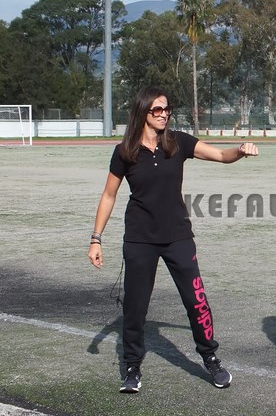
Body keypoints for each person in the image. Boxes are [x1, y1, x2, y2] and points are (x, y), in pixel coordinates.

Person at [87, 86, 258, 393]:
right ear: (143, 112)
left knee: (196, 301)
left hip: (178, 236)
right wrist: (96, 239)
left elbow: (221, 155)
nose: (164, 114)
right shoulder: (125, 151)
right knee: (135, 308)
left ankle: (210, 358)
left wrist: (240, 150)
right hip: (139, 239)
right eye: (157, 109)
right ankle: (132, 367)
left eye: (167, 109)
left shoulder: (178, 142)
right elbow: (109, 195)